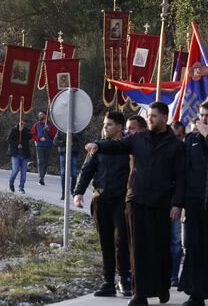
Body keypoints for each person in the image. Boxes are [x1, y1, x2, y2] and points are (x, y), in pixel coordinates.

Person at [85, 101, 185, 306]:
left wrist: (177, 204)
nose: (150, 119)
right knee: (136, 248)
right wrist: (98, 145)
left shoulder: (175, 145)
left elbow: (181, 177)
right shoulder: (137, 139)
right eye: (148, 116)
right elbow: (116, 145)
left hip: (161, 203)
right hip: (136, 200)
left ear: (165, 118)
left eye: (154, 116)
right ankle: (139, 294)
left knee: (159, 248)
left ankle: (162, 285)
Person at [74, 111, 131, 298]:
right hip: (101, 199)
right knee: (105, 241)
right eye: (105, 124)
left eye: (109, 124)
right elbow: (86, 170)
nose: (105, 127)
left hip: (122, 200)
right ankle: (108, 282)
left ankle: (125, 279)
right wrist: (78, 193)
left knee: (121, 240)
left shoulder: (127, 146)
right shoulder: (97, 148)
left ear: (119, 127)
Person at [179, 100, 208, 306]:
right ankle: (196, 294)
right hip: (195, 203)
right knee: (195, 249)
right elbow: (184, 172)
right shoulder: (191, 139)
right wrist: (179, 202)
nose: (204, 120)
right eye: (202, 115)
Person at [169, 120, 185, 288]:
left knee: (175, 241)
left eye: (179, 137)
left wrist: (178, 203)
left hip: (176, 202)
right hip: (159, 201)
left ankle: (174, 275)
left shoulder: (185, 150)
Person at [54, 130, 83, 200]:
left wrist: (73, 136)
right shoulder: (61, 129)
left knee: (73, 174)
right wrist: (64, 142)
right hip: (63, 153)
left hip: (73, 153)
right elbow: (55, 141)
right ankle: (64, 193)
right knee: (63, 173)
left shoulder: (77, 129)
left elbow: (80, 140)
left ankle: (73, 191)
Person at [31, 111, 56, 186]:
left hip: (48, 146)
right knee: (41, 161)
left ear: (45, 115)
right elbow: (32, 135)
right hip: (39, 146)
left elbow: (54, 136)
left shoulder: (51, 125)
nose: (40, 116)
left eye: (41, 114)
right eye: (39, 114)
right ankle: (41, 178)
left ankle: (43, 176)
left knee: (45, 163)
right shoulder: (36, 125)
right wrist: (39, 139)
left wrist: (48, 130)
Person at [7, 118, 32, 193]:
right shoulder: (14, 130)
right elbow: (9, 139)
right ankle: (11, 183)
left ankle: (21, 187)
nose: (23, 124)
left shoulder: (27, 130)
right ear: (19, 122)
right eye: (22, 123)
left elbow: (29, 137)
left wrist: (23, 131)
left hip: (24, 154)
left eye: (24, 123)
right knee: (15, 170)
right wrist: (17, 144)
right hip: (16, 154)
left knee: (23, 173)